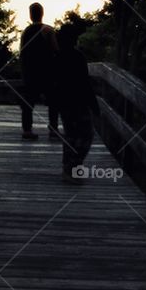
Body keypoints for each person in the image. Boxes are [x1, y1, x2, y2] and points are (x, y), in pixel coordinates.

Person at [49, 22, 99, 180]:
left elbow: (52, 82)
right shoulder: (77, 57)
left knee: (71, 134)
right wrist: (94, 104)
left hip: (64, 102)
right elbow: (85, 83)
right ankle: (74, 166)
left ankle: (68, 167)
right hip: (79, 102)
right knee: (86, 134)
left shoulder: (56, 57)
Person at [19, 2, 59, 140]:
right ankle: (53, 129)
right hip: (47, 72)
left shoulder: (25, 32)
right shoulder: (47, 30)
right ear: (42, 13)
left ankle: (27, 130)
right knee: (53, 101)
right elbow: (56, 50)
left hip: (30, 72)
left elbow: (22, 53)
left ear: (30, 15)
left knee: (28, 102)